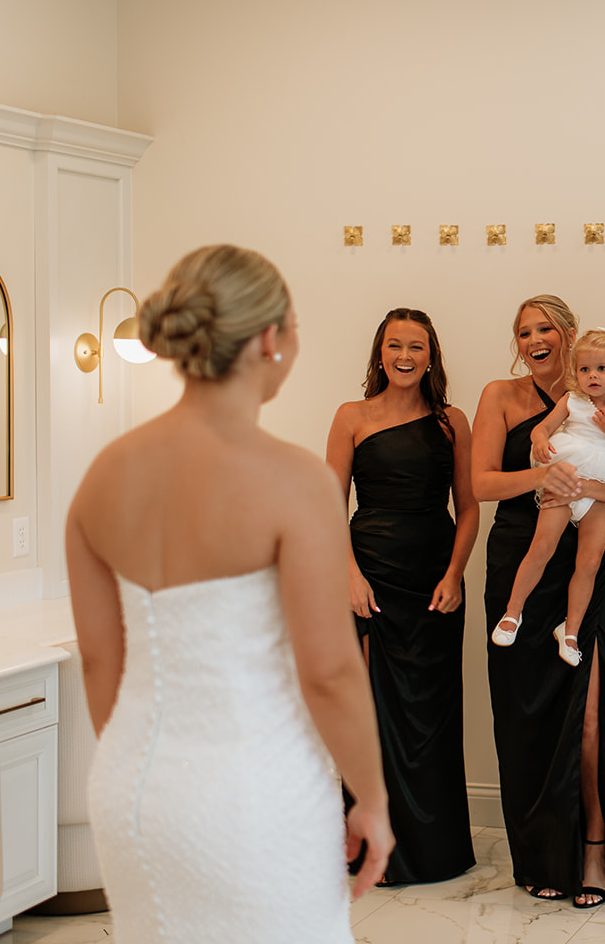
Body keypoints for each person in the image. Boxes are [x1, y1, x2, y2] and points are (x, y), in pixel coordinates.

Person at [70, 244, 394, 943]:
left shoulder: (102, 475)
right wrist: (371, 796)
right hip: (254, 788)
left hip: (130, 790)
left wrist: (150, 770)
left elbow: (99, 662)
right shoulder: (294, 478)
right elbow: (329, 671)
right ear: (271, 338)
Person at [473, 295, 605, 908]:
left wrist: (587, 484)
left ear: (571, 336)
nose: (535, 340)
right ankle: (541, 854)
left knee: (591, 715)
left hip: (590, 563)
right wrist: (543, 478)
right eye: (524, 331)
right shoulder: (502, 396)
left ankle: (595, 852)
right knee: (526, 713)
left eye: (545, 329)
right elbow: (480, 484)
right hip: (520, 558)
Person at [325, 307, 477, 884]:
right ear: (380, 353)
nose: (405, 356)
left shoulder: (452, 422)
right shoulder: (351, 416)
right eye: (395, 345)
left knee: (430, 718)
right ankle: (371, 848)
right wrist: (350, 576)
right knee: (368, 716)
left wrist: (455, 573)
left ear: (430, 356)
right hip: (370, 580)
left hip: (434, 582)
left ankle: (434, 851)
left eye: (416, 346)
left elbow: (468, 509)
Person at [490, 327, 605, 666]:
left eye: (601, 368)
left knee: (589, 561)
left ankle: (570, 631)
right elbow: (542, 428)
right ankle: (513, 612)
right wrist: (540, 440)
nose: (592, 376)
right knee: (542, 546)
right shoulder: (571, 401)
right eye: (584, 369)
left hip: (600, 485)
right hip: (567, 476)